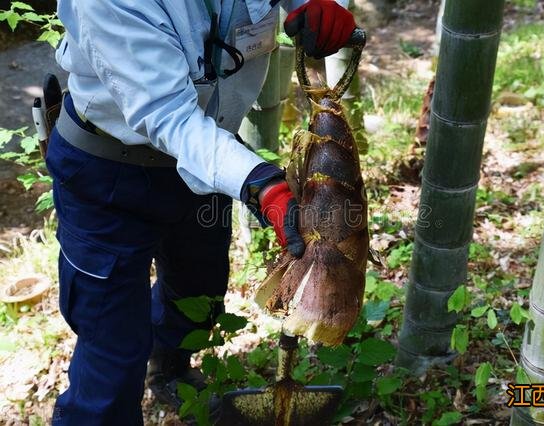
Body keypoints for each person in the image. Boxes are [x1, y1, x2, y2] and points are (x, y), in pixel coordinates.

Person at [47, 0, 357, 424]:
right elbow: (167, 115)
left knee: (200, 290)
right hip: (108, 171)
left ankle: (169, 368)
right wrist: (261, 184)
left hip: (212, 164)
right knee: (112, 346)